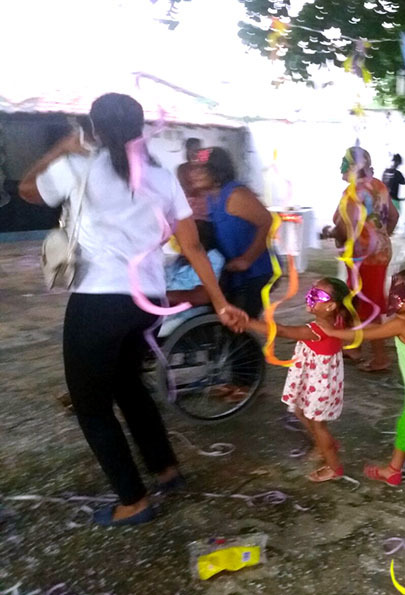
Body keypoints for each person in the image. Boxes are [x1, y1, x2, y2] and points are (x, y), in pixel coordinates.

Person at [19, 93, 247, 527]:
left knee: (91, 406)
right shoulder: (162, 179)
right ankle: (166, 470)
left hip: (97, 302)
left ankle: (133, 499)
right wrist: (220, 302)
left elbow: (28, 190)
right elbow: (193, 245)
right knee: (128, 386)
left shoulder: (78, 165)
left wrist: (59, 148)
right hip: (147, 301)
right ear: (141, 128)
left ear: (95, 127)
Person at [321, 269, 405, 507]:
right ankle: (393, 470)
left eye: (398, 291)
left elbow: (369, 333)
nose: (391, 294)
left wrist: (334, 332)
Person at [248, 278, 349, 483]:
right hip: (314, 380)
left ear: (331, 306)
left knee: (318, 424)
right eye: (312, 292)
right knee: (299, 411)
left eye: (318, 296)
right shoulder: (337, 321)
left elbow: (282, 331)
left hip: (319, 384)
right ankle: (324, 444)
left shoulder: (317, 331)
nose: (310, 297)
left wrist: (246, 322)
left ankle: (334, 466)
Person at [327, 146, 399, 372]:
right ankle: (354, 347)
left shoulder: (352, 193)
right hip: (378, 252)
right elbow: (394, 216)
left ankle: (380, 358)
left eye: (344, 161)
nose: (341, 166)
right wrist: (382, 234)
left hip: (365, 258)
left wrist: (329, 232)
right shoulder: (378, 185)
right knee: (357, 299)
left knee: (370, 304)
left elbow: (343, 231)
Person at [202, 147, 274, 319]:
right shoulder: (210, 196)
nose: (195, 174)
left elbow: (267, 221)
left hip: (255, 271)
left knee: (242, 321)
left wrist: (247, 259)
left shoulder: (236, 195)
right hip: (231, 270)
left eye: (201, 170)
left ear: (215, 171)